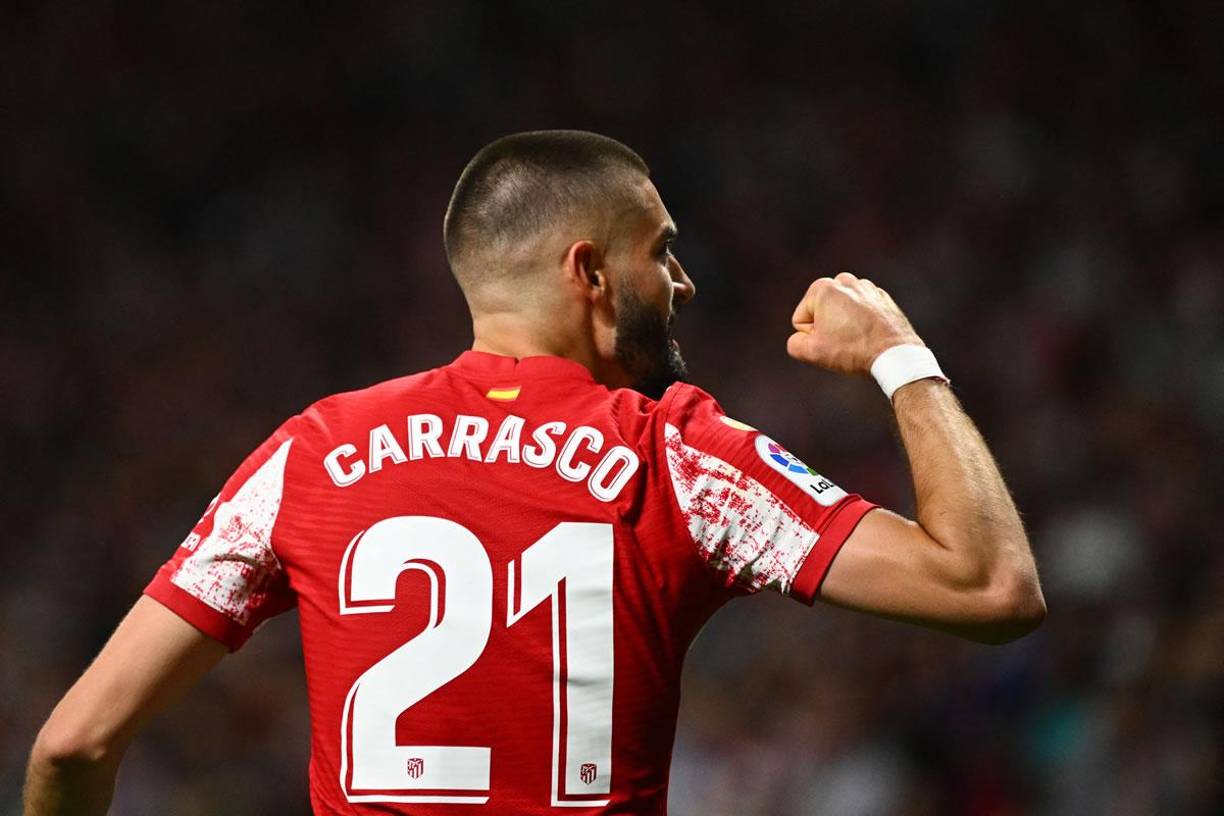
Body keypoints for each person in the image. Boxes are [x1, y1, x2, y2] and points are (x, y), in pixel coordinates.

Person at [24, 130, 1045, 815]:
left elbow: (70, 745)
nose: (683, 283)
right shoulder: (676, 457)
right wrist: (900, 356)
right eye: (664, 252)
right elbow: (991, 587)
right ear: (590, 271)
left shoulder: (311, 453)